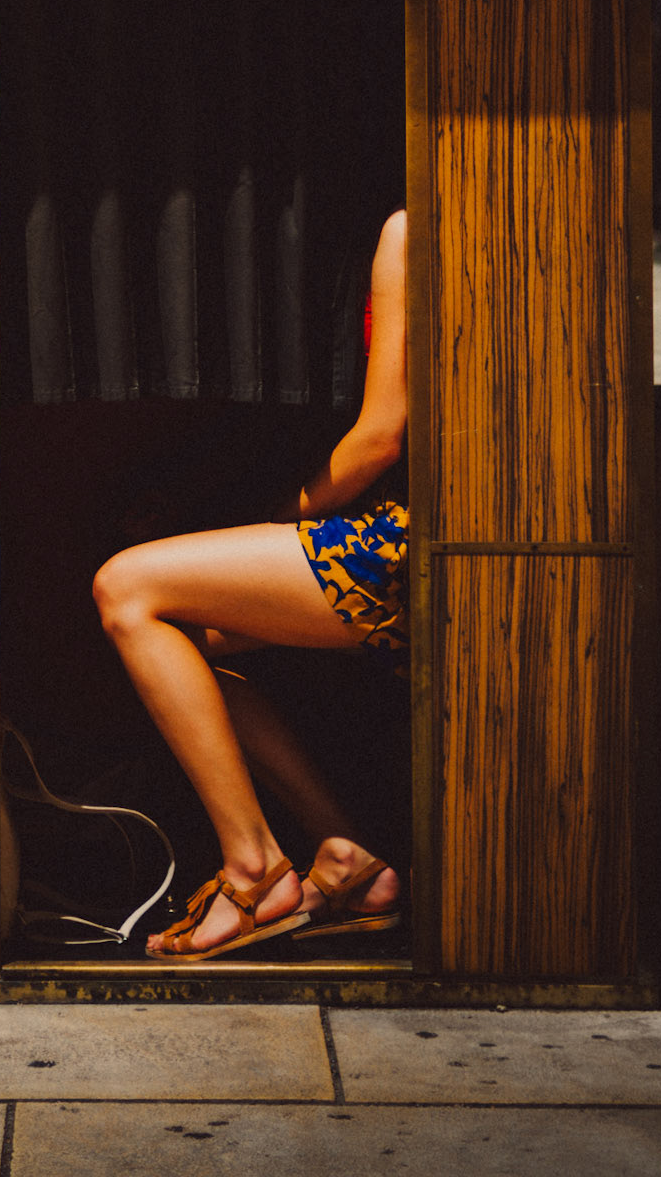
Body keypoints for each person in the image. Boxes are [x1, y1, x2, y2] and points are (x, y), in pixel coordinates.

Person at [92, 209, 408, 961]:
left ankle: (256, 866)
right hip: (463, 540)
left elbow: (382, 434)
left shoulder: (414, 227)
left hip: (407, 545)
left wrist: (281, 518)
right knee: (191, 641)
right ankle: (347, 856)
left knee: (127, 588)